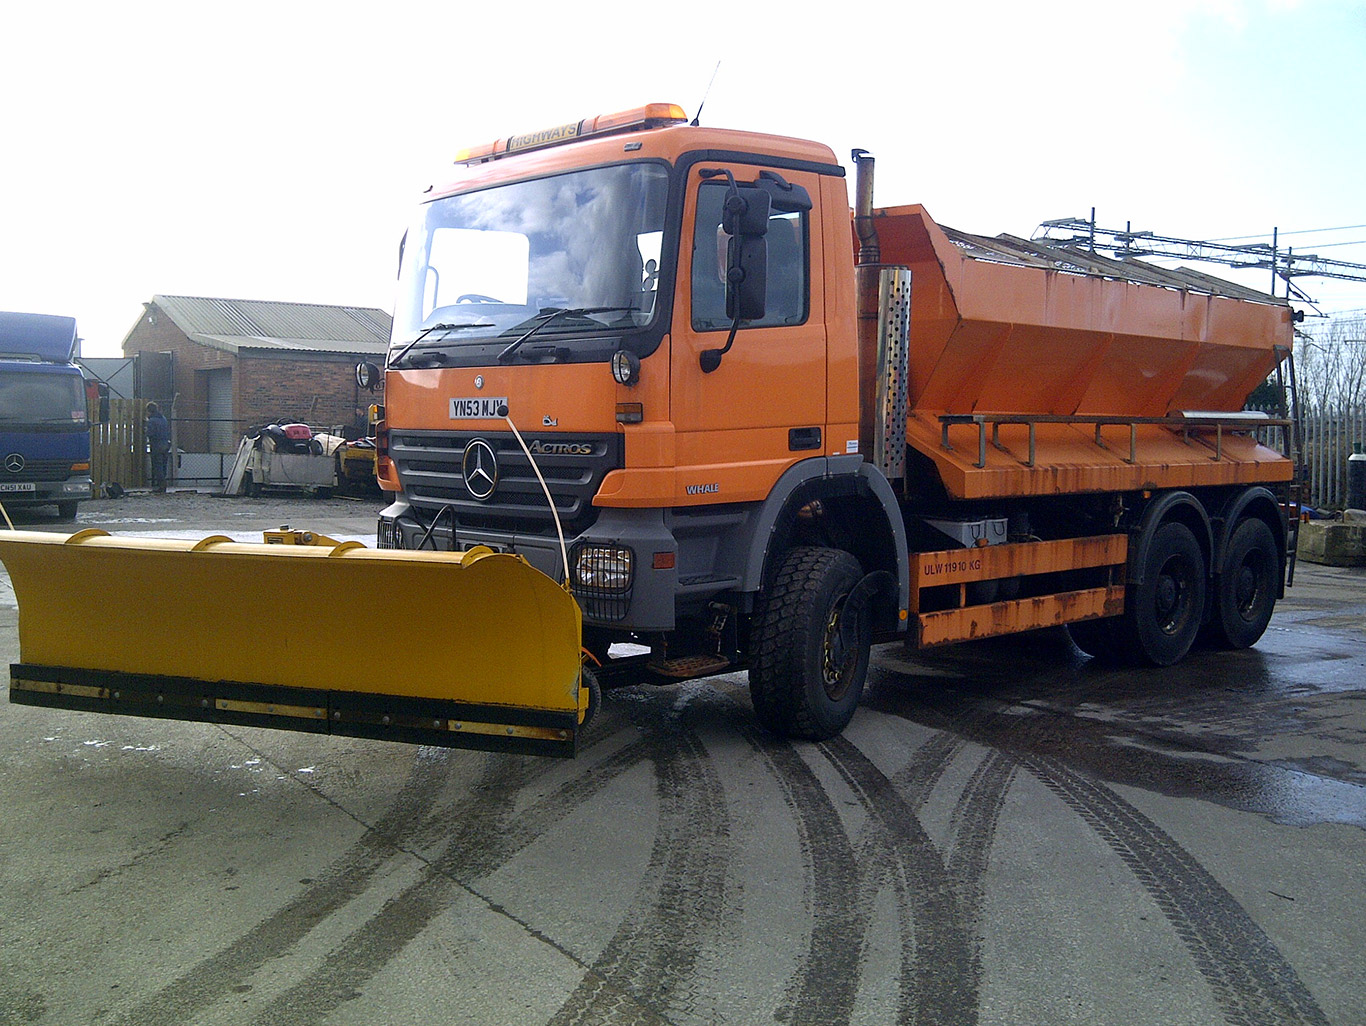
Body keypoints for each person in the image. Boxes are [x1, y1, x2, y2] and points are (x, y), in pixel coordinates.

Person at [146, 402, 171, 491]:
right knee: (163, 464)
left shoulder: (152, 421)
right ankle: (163, 484)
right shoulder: (163, 419)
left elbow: (150, 433)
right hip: (165, 443)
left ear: (149, 411)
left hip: (156, 445)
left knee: (157, 465)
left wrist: (145, 431)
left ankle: (161, 485)